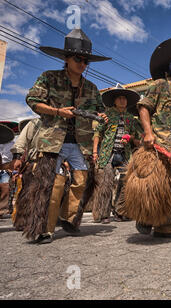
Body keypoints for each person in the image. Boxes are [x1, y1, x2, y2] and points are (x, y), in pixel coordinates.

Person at [22, 28, 110, 244]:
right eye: (78, 59)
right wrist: (58, 112)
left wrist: (102, 117)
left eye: (86, 61)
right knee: (51, 184)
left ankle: (68, 217)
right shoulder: (49, 78)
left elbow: (100, 110)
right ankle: (44, 230)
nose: (82, 64)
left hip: (80, 143)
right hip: (52, 140)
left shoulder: (91, 87)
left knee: (82, 181)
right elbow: (32, 101)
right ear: (67, 59)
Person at [124, 37, 171, 238]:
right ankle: (154, 219)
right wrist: (148, 133)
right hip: (159, 141)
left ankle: (170, 222)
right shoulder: (160, 85)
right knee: (157, 183)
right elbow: (143, 107)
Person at [91, 84, 141, 223]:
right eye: (119, 98)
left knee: (127, 182)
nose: (122, 101)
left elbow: (137, 139)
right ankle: (103, 215)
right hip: (108, 153)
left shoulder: (131, 118)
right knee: (105, 183)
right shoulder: (106, 115)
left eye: (124, 98)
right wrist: (95, 152)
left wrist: (130, 138)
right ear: (114, 101)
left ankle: (120, 211)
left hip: (124, 154)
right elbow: (97, 133)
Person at [10, 118, 42, 230]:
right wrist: (17, 157)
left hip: (55, 163)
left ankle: (45, 221)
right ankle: (22, 221)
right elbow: (21, 140)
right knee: (28, 193)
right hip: (34, 162)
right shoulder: (35, 123)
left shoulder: (61, 123)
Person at [0, 124, 15, 218]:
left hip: (5, 167)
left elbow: (8, 159)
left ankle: (1, 211)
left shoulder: (11, 144)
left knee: (5, 187)